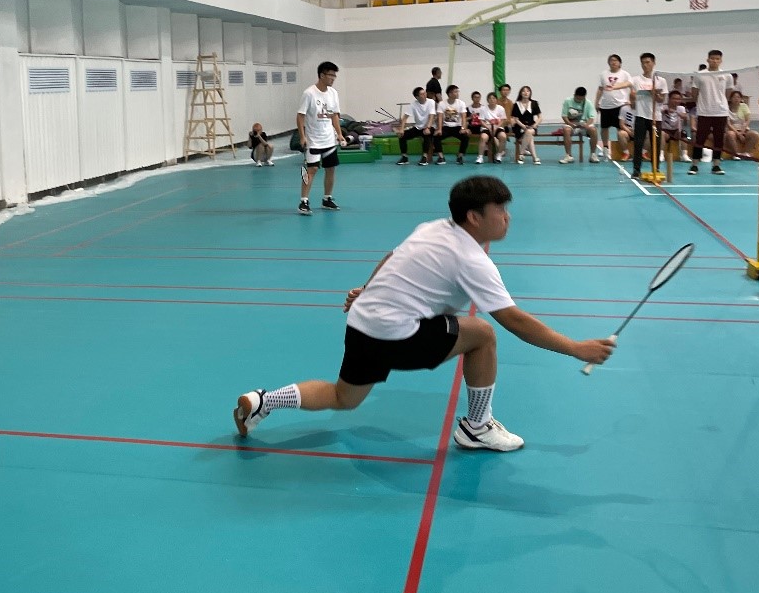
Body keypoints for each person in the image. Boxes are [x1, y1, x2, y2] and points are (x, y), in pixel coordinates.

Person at [231, 177, 616, 451]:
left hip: (363, 324)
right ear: (474, 217)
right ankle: (477, 426)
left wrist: (368, 291)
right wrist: (575, 348)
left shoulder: (433, 228)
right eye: (499, 210)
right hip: (397, 334)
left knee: (343, 396)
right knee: (482, 334)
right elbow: (513, 320)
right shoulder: (471, 259)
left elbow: (391, 258)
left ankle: (263, 401)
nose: (507, 217)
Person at [296, 61, 345, 215]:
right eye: (331, 75)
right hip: (313, 140)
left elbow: (334, 115)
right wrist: (302, 136)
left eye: (335, 75)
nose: (333, 78)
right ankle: (303, 201)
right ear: (322, 75)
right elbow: (300, 116)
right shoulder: (309, 93)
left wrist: (339, 133)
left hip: (329, 139)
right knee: (311, 170)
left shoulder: (333, 93)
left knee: (331, 169)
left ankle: (327, 198)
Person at [689, 49, 731, 175]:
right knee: (700, 138)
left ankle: (716, 165)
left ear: (721, 60)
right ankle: (694, 165)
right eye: (712, 58)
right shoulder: (699, 75)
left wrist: (720, 103)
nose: (715, 61)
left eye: (717, 59)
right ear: (708, 60)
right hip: (704, 112)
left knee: (719, 139)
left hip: (721, 112)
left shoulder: (727, 75)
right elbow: (694, 93)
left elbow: (728, 93)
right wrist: (703, 104)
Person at [629, 53, 667, 180]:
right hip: (640, 116)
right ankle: (636, 170)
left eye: (648, 62)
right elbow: (632, 103)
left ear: (653, 63)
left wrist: (653, 93)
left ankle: (656, 168)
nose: (645, 65)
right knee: (638, 143)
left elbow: (661, 100)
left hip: (655, 118)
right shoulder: (635, 80)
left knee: (655, 143)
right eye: (643, 63)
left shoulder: (661, 81)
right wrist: (632, 98)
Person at [596, 54, 632, 162]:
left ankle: (623, 149)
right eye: (611, 60)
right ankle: (605, 148)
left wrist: (630, 100)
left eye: (616, 60)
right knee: (604, 128)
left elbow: (630, 85)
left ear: (620, 63)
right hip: (605, 105)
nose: (613, 62)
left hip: (619, 105)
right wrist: (597, 102)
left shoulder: (624, 74)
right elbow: (600, 89)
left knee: (620, 128)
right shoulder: (603, 74)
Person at [396, 88, 438, 166]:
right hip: (418, 127)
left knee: (427, 135)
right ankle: (404, 157)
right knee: (402, 136)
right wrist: (401, 129)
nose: (425, 95)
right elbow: (404, 117)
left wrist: (428, 128)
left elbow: (431, 116)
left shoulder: (431, 102)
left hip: (430, 126)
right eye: (422, 94)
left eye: (425, 93)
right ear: (417, 97)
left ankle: (424, 157)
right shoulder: (413, 105)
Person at [559, 87, 600, 164]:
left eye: (581, 99)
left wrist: (586, 125)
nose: (579, 100)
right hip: (571, 124)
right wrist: (570, 124)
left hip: (584, 125)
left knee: (593, 130)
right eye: (577, 99)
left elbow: (591, 118)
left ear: (584, 96)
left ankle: (593, 155)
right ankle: (568, 155)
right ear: (574, 95)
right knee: (566, 130)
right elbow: (564, 116)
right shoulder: (568, 101)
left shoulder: (588, 103)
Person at [437, 84, 471, 165]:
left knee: (465, 137)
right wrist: (439, 129)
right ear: (450, 94)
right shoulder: (442, 104)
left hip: (457, 127)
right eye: (455, 92)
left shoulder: (461, 103)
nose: (457, 93)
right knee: (436, 136)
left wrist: (463, 128)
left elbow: (463, 117)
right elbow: (440, 117)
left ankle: (460, 156)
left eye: (457, 92)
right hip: (446, 127)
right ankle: (441, 157)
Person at [660, 90, 691, 174]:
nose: (676, 101)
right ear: (669, 99)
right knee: (661, 134)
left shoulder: (681, 108)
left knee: (684, 133)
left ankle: (684, 155)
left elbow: (685, 118)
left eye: (678, 99)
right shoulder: (663, 107)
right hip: (665, 130)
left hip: (676, 130)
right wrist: (665, 111)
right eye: (674, 99)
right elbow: (659, 113)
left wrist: (677, 112)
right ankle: (661, 154)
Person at [510, 85, 542, 165]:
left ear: (530, 93)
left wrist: (535, 125)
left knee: (529, 132)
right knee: (529, 136)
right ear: (520, 93)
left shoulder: (534, 103)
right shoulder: (516, 104)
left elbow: (540, 117)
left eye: (527, 91)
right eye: (523, 91)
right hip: (519, 126)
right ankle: (535, 158)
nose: (526, 93)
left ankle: (521, 154)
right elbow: (515, 119)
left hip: (531, 126)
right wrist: (523, 126)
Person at [724, 90, 759, 160]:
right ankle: (736, 154)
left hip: (743, 129)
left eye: (738, 97)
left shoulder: (744, 106)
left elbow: (748, 120)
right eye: (734, 97)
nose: (736, 99)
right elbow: (728, 123)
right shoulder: (726, 108)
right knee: (730, 134)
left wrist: (742, 132)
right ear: (730, 99)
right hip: (732, 129)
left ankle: (747, 153)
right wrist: (738, 134)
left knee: (755, 134)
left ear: (741, 99)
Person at [477, 92, 508, 163]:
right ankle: (480, 157)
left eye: (494, 98)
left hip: (498, 127)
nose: (492, 100)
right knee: (483, 137)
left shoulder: (501, 108)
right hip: (486, 127)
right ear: (487, 100)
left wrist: (497, 127)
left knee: (503, 136)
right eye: (490, 98)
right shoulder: (483, 109)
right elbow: (481, 121)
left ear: (496, 100)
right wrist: (488, 127)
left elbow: (503, 120)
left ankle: (499, 155)